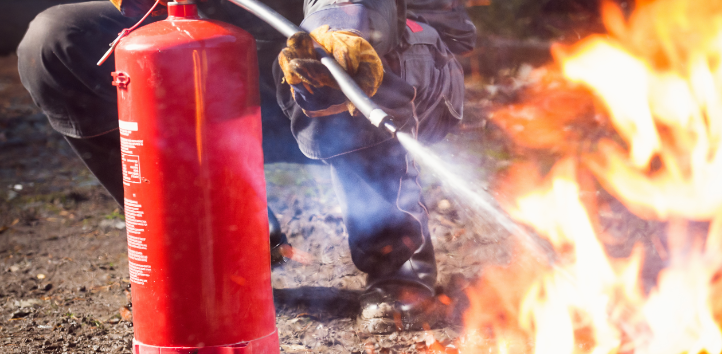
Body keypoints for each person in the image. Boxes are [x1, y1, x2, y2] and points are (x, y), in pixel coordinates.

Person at [16, 0, 474, 334]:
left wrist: (339, 26)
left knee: (335, 50)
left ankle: (395, 263)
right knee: (56, 41)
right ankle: (228, 248)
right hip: (242, 62)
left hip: (391, 52)